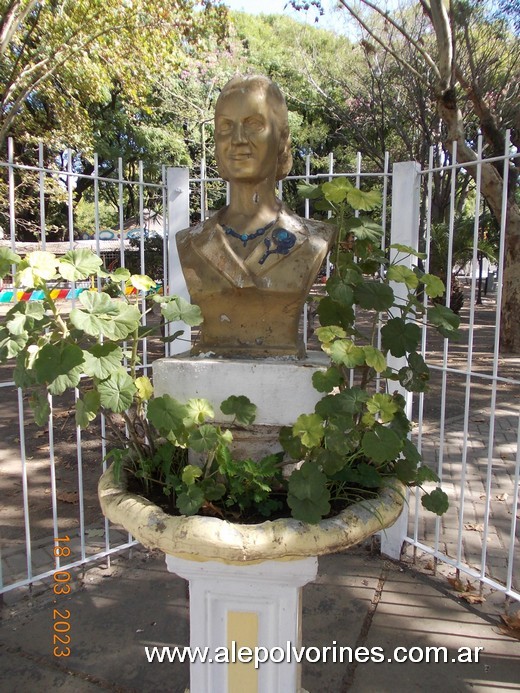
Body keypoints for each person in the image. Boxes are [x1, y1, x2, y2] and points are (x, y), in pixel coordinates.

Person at [176, 74, 336, 358]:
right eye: (225, 127)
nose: (237, 140)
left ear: (282, 139)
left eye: (253, 124)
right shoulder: (192, 242)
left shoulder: (311, 241)